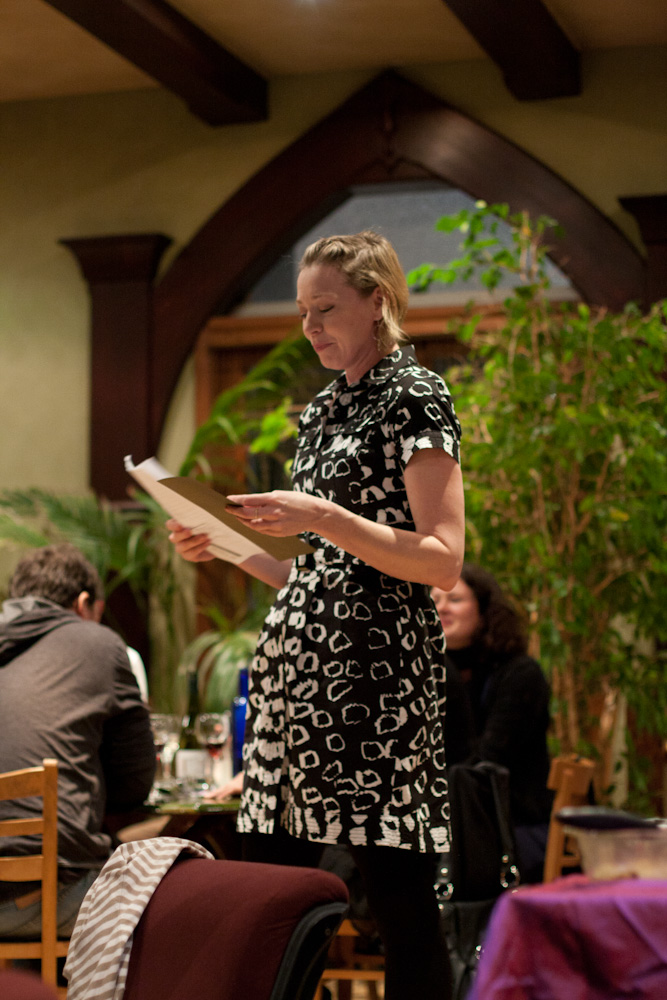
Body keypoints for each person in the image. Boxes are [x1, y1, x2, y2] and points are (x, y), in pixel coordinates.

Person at [168, 230, 465, 1000]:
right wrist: (224, 547)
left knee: (397, 900)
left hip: (375, 679)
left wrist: (326, 516)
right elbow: (309, 572)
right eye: (302, 312)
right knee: (267, 888)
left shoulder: (415, 394)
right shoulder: (325, 408)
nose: (310, 327)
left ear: (378, 301)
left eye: (325, 308)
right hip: (295, 678)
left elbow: (440, 557)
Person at [0, 543, 155, 938]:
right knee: (175, 895)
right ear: (85, 603)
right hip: (49, 895)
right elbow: (135, 782)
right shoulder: (98, 643)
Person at [431, 563, 553, 883]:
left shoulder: (520, 674)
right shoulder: (425, 673)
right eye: (435, 600)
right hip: (449, 825)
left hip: (512, 825)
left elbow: (486, 765)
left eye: (454, 599)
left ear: (485, 611)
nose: (442, 607)